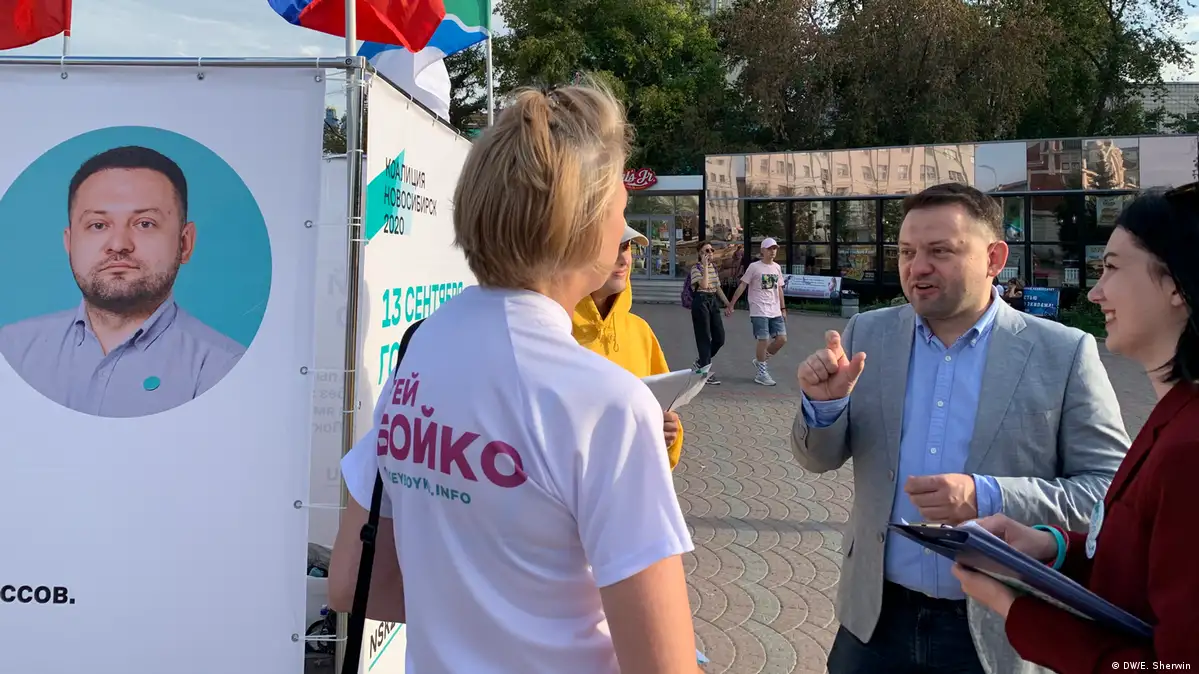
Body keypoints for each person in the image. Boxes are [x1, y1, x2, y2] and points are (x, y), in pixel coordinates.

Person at [328, 81, 700, 674]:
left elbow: (351, 581)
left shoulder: (417, 354)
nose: (624, 230)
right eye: (620, 210)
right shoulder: (606, 403)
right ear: (584, 225)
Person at [790, 182, 1130, 674]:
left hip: (1001, 627)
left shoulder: (1063, 352)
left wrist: (988, 496)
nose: (917, 267)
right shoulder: (868, 334)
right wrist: (824, 406)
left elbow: (1109, 496)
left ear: (994, 258)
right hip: (874, 621)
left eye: (940, 251)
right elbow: (817, 458)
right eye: (907, 252)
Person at [954, 184, 1199, 672]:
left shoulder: (1189, 450)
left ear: (1176, 283)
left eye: (1113, 268)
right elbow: (1142, 568)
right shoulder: (1174, 416)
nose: (1094, 291)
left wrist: (1015, 609)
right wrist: (1052, 545)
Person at [0, 145, 243, 418]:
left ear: (185, 243)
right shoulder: (11, 350)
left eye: (145, 223)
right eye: (98, 225)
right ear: (69, 244)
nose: (118, 245)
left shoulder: (224, 369)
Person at [572, 223, 686, 469]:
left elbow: (665, 414)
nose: (623, 259)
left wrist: (668, 437)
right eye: (611, 247)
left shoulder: (640, 331)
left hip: (631, 484)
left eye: (625, 247)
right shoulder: (554, 332)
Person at [725, 237, 786, 386]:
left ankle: (760, 360)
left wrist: (783, 308)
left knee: (782, 339)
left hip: (774, 310)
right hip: (759, 309)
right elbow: (742, 285)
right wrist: (731, 304)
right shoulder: (754, 267)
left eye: (775, 248)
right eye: (770, 249)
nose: (773, 251)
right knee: (763, 339)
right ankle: (761, 373)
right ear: (762, 250)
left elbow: (779, 289)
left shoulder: (777, 267)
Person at [688, 239, 730, 385]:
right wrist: (705, 266)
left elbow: (717, 287)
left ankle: (701, 362)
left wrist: (728, 304)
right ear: (700, 254)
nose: (710, 253)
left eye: (712, 250)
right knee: (704, 337)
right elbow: (704, 285)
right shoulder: (696, 269)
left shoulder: (713, 267)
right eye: (707, 251)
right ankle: (704, 372)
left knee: (719, 338)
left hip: (712, 302)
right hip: (700, 302)